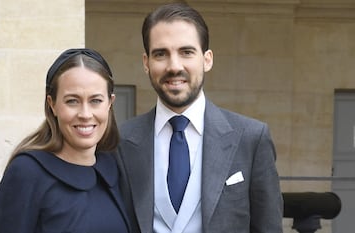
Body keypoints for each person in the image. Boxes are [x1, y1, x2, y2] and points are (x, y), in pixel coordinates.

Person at [116, 3, 283, 233]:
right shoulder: (121, 141)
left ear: (207, 59)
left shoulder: (251, 138)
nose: (174, 67)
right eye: (161, 54)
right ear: (146, 63)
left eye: (186, 52)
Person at [0, 48, 130, 233]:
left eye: (96, 100)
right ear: (52, 104)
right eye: (72, 101)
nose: (85, 114)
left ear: (110, 103)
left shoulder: (115, 167)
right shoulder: (27, 173)